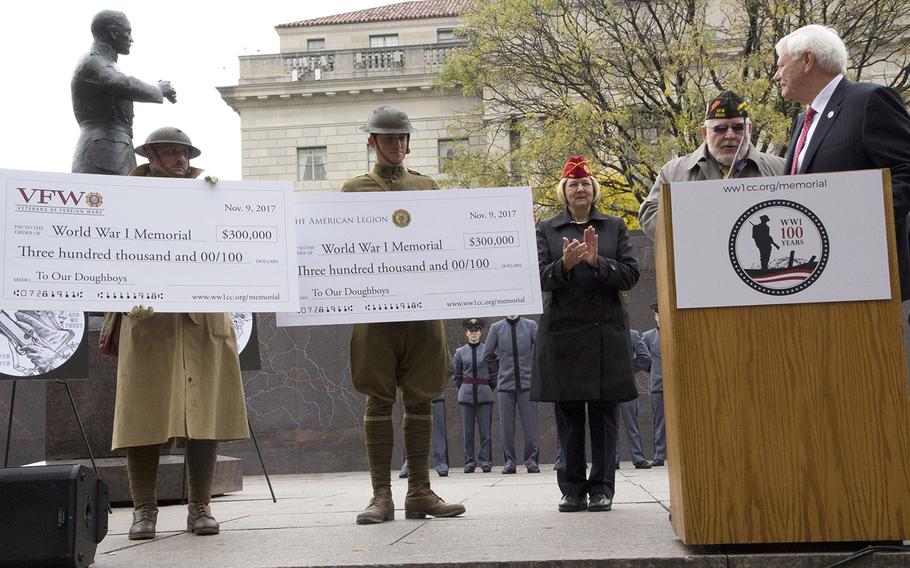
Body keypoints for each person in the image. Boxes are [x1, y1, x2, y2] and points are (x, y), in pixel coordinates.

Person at [111, 127, 249, 540]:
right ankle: (143, 511)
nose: (179, 160)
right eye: (170, 153)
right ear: (149, 155)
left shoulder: (210, 194)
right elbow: (105, 252)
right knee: (143, 414)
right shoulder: (125, 198)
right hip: (149, 317)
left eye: (184, 153)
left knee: (203, 412)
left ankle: (200, 507)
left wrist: (222, 205)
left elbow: (237, 245)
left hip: (204, 317)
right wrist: (119, 300)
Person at [342, 106, 464, 524]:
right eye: (388, 138)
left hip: (423, 310)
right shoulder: (353, 190)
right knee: (378, 398)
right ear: (372, 142)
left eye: (402, 138)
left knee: (421, 398)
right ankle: (381, 495)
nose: (397, 145)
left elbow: (449, 240)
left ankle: (419, 491)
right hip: (375, 313)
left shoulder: (427, 186)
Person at [531, 155, 640, 513]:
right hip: (565, 335)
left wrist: (597, 263)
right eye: (574, 184)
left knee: (605, 417)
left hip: (605, 333)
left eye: (586, 183)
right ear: (564, 191)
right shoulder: (548, 229)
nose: (581, 189)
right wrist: (564, 265)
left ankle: (603, 487)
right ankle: (572, 488)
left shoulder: (614, 226)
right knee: (570, 417)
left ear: (594, 190)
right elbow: (536, 279)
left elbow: (630, 275)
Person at [774, 24, 910, 300]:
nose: (777, 76)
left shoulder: (869, 100)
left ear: (808, 61)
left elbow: (905, 171)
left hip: (867, 276)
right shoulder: (803, 120)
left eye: (781, 66)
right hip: (814, 273)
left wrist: (858, 222)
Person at [639, 90, 786, 238]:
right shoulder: (673, 173)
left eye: (738, 128)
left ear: (749, 129)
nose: (730, 135)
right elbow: (649, 217)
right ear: (704, 133)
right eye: (720, 129)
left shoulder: (782, 169)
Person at [71, 10, 177, 175]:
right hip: (104, 149)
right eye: (127, 32)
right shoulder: (93, 61)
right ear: (113, 32)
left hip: (115, 146)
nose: (131, 39)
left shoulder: (103, 62)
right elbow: (119, 82)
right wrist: (157, 90)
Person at [482, 315, 540, 474]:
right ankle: (509, 462)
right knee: (506, 427)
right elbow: (487, 355)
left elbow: (540, 350)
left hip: (527, 383)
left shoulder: (530, 325)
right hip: (505, 384)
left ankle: (531, 461)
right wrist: (500, 369)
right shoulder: (496, 328)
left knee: (530, 426)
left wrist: (532, 369)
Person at [452, 318, 495, 473]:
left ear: (481, 332)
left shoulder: (488, 350)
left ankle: (485, 461)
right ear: (466, 333)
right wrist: (464, 387)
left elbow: (494, 373)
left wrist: (488, 387)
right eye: (471, 331)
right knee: (467, 432)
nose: (474, 333)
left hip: (484, 394)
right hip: (466, 395)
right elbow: (456, 375)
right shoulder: (459, 352)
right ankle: (469, 462)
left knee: (485, 432)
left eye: (476, 330)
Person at [616, 329, 652, 469]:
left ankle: (638, 457)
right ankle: (613, 459)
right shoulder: (604, 332)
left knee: (632, 424)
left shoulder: (632, 334)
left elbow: (645, 358)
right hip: (607, 386)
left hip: (627, 385)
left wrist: (628, 369)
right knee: (610, 425)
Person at [399, 391, 450, 478]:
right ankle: (407, 466)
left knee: (438, 431)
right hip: (413, 393)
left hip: (435, 392)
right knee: (411, 432)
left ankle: (442, 465)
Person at [642, 303, 665, 466]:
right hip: (658, 384)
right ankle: (659, 455)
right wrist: (655, 371)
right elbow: (645, 359)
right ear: (655, 317)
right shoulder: (649, 336)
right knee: (660, 421)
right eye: (657, 315)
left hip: (678, 386)